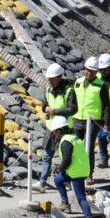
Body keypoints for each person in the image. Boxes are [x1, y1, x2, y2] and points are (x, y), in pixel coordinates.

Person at [33, 63, 77, 193]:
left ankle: (67, 181)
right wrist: (44, 108)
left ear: (59, 77)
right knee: (47, 156)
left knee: (65, 157)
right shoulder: (48, 90)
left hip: (64, 129)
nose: (50, 81)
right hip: (51, 128)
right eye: (49, 79)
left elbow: (73, 109)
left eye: (52, 79)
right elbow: (45, 104)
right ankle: (42, 182)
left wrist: (55, 111)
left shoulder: (69, 91)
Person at [50, 116, 98, 218]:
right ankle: (65, 204)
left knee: (81, 198)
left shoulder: (66, 141)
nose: (54, 134)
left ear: (59, 130)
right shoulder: (73, 137)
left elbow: (67, 160)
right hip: (80, 169)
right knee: (58, 180)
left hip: (76, 172)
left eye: (54, 131)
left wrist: (59, 168)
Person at [72, 57, 110, 184]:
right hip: (77, 118)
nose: (89, 73)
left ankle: (89, 174)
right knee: (75, 147)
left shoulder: (101, 86)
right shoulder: (78, 82)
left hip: (93, 121)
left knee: (88, 147)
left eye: (92, 71)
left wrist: (106, 123)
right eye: (87, 70)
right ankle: (75, 172)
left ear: (96, 72)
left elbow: (106, 105)